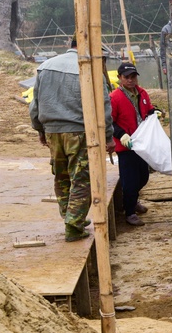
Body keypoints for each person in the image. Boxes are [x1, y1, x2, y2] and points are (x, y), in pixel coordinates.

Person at [29, 37, 113, 242]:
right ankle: (74, 226)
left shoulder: (45, 66)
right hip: (78, 131)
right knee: (81, 178)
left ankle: (71, 216)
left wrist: (40, 129)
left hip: (52, 130)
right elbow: (104, 106)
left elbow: (35, 102)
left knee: (61, 175)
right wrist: (108, 136)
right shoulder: (90, 68)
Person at [111, 62, 158, 227]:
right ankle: (129, 212)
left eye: (133, 77)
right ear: (120, 78)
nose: (131, 80)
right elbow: (110, 121)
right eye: (127, 77)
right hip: (126, 145)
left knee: (143, 177)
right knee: (129, 180)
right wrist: (121, 134)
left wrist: (154, 112)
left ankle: (133, 200)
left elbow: (148, 109)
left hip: (142, 143)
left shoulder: (142, 93)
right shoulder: (114, 97)